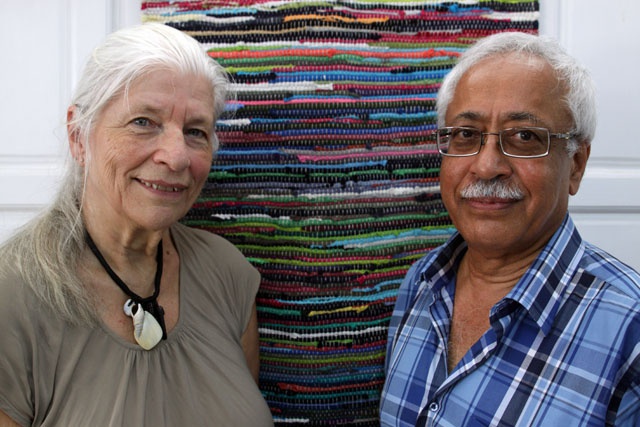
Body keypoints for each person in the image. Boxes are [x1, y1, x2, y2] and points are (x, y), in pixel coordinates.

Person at [0, 23, 273, 426]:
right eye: (143, 122)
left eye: (196, 131)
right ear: (79, 135)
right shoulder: (12, 296)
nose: (177, 156)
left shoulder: (226, 274)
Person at [379, 32, 640, 426]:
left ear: (576, 165)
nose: (486, 166)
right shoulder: (421, 284)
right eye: (466, 134)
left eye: (523, 137)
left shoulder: (630, 330)